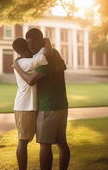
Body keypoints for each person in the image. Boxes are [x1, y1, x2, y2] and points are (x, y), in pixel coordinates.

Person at [13, 28, 70, 170]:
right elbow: (62, 65)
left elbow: (32, 80)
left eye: (33, 43)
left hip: (48, 106)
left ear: (41, 41)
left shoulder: (46, 57)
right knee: (61, 142)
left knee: (45, 144)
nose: (30, 47)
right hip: (61, 105)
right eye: (28, 44)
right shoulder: (50, 53)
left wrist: (16, 66)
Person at [12, 37, 52, 170]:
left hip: (30, 106)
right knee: (23, 141)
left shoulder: (22, 62)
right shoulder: (24, 62)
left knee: (26, 140)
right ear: (26, 49)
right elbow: (43, 57)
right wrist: (47, 42)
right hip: (24, 107)